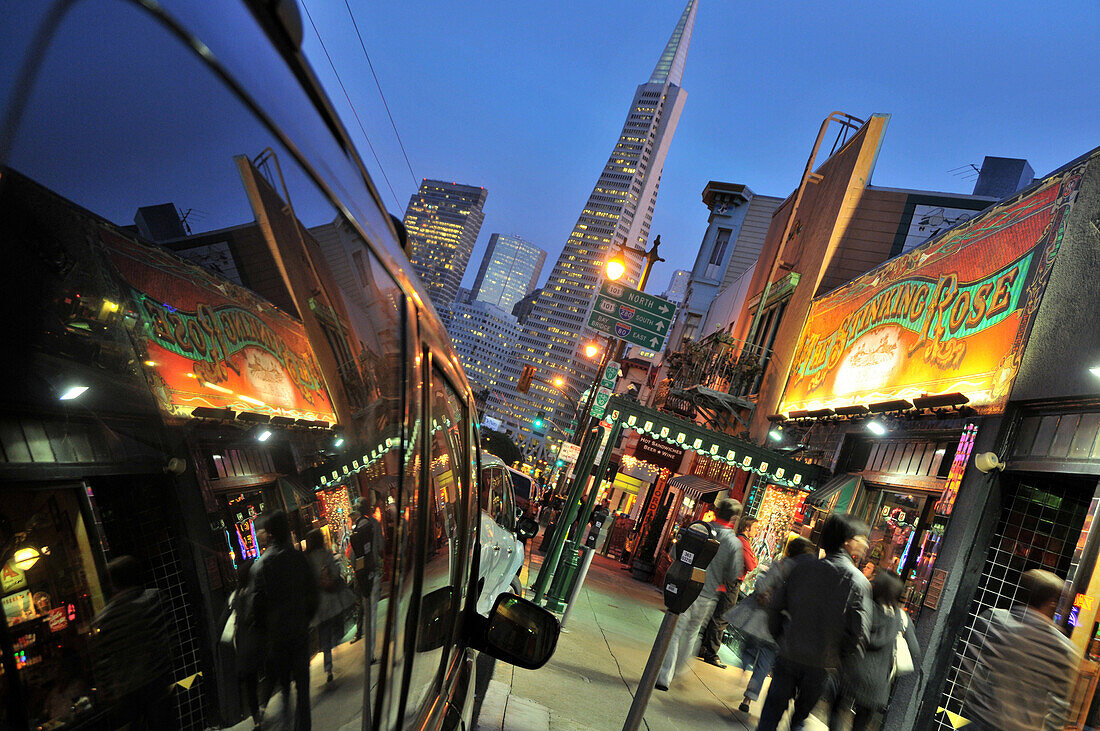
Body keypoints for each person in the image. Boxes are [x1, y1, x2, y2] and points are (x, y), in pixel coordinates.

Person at [755, 513, 872, 731]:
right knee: (799, 720)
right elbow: (859, 634)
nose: (865, 543)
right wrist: (837, 657)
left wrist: (782, 637)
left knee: (771, 713)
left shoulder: (803, 568)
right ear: (847, 541)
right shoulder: (858, 582)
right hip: (822, 663)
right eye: (861, 538)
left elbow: (776, 607)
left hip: (790, 652)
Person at [960, 568, 1079, 731]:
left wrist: (974, 703)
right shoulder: (1063, 649)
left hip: (981, 723)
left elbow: (966, 666)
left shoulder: (992, 620)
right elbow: (1060, 709)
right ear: (1053, 602)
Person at [655, 497, 744, 691]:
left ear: (717, 510)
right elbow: (732, 573)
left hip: (685, 587)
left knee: (675, 632)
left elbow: (674, 553)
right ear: (734, 518)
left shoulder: (699, 530)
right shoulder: (733, 543)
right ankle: (680, 670)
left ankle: (664, 675)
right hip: (708, 595)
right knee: (692, 633)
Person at [727, 536, 816, 715]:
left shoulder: (781, 565)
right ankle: (749, 696)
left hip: (762, 620)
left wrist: (765, 591)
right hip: (782, 626)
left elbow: (761, 585)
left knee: (750, 647)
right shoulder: (806, 574)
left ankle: (746, 664)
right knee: (766, 662)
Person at [250, 509, 319, 730]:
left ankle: (288, 725)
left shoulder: (262, 565)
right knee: (302, 691)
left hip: (277, 638)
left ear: (269, 533)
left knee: (284, 691)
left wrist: (266, 632)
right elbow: (313, 595)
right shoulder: (298, 559)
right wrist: (304, 618)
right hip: (298, 633)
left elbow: (257, 607)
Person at [828, 570, 921, 731]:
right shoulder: (901, 618)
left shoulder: (863, 606)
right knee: (861, 724)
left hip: (851, 671)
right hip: (877, 683)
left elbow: (844, 632)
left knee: (837, 709)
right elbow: (915, 651)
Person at [90, 555, 174, 730]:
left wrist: (106, 693)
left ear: (113, 583)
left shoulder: (104, 619)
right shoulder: (155, 599)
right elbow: (167, 638)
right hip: (156, 682)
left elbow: (103, 663)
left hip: (126, 694)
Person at [699, 516, 759, 668]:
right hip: (732, 583)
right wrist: (754, 559)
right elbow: (752, 564)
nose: (757, 531)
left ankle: (704, 648)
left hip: (726, 580)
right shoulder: (743, 543)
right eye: (755, 528)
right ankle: (711, 653)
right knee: (722, 617)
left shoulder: (738, 540)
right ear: (747, 528)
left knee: (716, 615)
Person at [305, 529, 356, 684]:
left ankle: (328, 666)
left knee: (324, 635)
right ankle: (335, 645)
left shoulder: (307, 560)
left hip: (319, 604)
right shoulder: (326, 555)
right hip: (332, 600)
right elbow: (335, 573)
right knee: (337, 627)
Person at [228, 560, 262, 729]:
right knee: (269, 671)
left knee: (250, 685)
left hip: (243, 645)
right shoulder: (254, 593)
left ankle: (256, 718)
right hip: (257, 643)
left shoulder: (235, 597)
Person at [349, 495, 383, 650]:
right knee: (370, 605)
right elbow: (380, 545)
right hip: (373, 567)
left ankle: (362, 633)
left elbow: (353, 555)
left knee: (361, 602)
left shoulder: (357, 529)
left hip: (361, 570)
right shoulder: (373, 523)